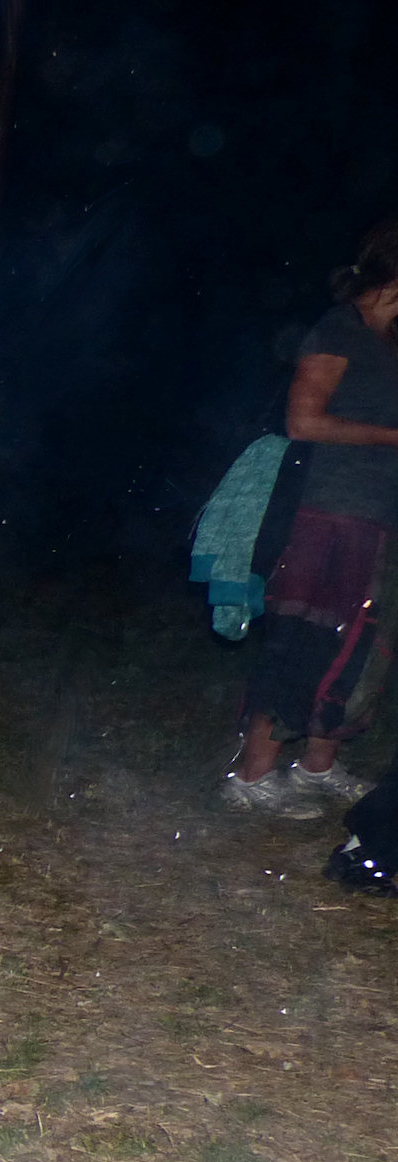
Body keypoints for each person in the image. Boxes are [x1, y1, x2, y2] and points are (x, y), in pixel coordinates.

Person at [222, 218, 398, 820]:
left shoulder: (390, 341)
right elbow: (303, 422)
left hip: (380, 515)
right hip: (327, 510)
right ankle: (251, 776)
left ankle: (318, 765)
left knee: (360, 645)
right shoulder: (338, 329)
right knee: (304, 638)